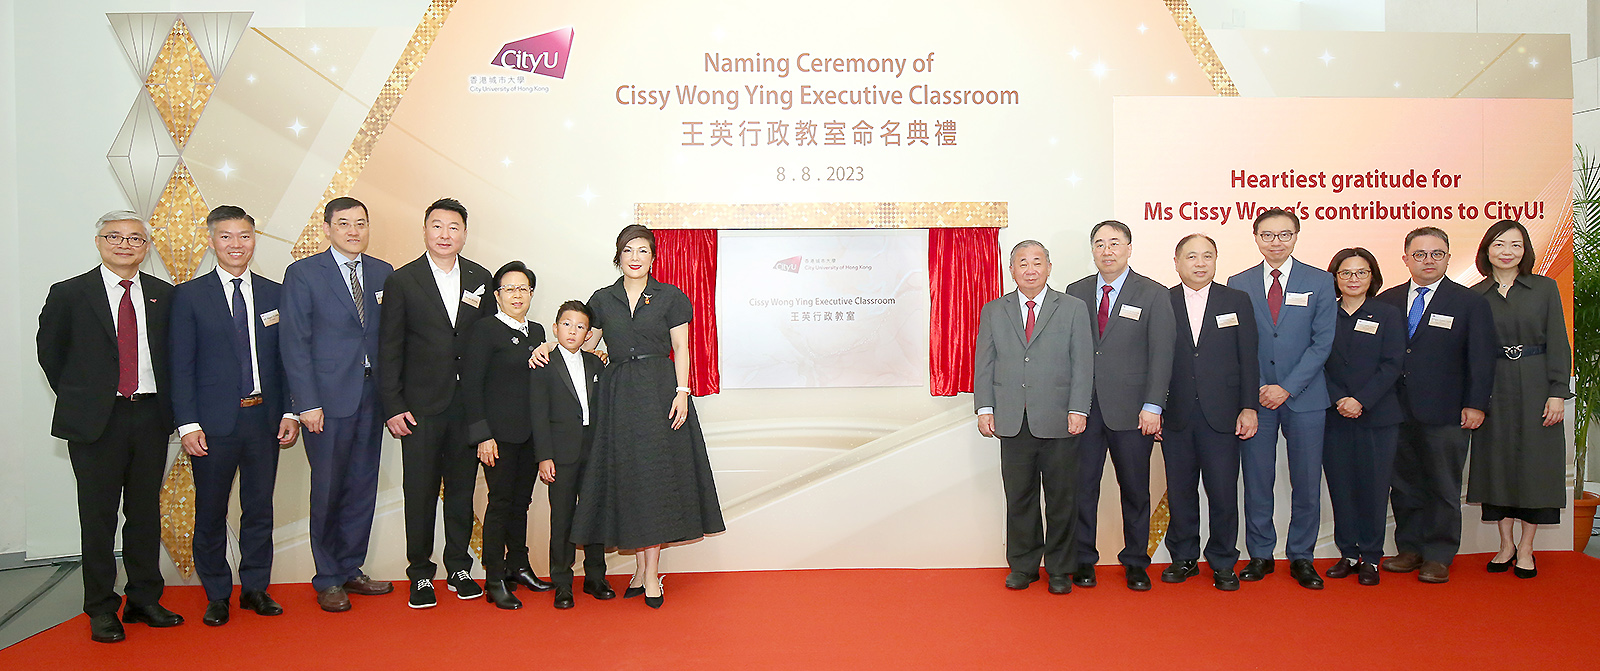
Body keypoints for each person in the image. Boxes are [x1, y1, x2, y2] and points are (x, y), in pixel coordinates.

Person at [535, 224, 724, 609]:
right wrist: (549, 345)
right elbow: (583, 340)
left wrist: (683, 392)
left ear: (654, 257)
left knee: (655, 479)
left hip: (659, 390)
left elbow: (681, 348)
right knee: (631, 480)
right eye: (628, 250)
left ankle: (651, 574)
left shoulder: (671, 297)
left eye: (643, 250)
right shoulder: (603, 299)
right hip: (618, 394)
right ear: (617, 256)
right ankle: (639, 570)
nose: (635, 257)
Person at [37, 211, 182, 643]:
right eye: (114, 236)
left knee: (143, 515)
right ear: (98, 241)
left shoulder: (164, 295)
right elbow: (52, 356)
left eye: (135, 239)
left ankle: (143, 599)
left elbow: (173, 356)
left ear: (147, 248)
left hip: (151, 416)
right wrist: (88, 397)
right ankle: (101, 607)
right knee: (97, 518)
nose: (124, 244)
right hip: (97, 421)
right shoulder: (69, 293)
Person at [168, 206, 299, 625]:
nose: (236, 244)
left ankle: (255, 589)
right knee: (210, 511)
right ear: (211, 240)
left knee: (259, 507)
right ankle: (217, 594)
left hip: (264, 419)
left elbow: (288, 360)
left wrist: (292, 411)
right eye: (226, 237)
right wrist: (187, 423)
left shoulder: (276, 293)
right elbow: (180, 365)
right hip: (212, 426)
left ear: (254, 239)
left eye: (244, 236)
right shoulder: (189, 295)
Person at [378, 197, 506, 608]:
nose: (445, 234)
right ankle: (419, 573)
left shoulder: (481, 279)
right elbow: (389, 349)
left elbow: (489, 347)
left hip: (467, 407)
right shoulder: (402, 280)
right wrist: (393, 406)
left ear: (464, 233)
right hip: (419, 408)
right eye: (437, 226)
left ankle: (459, 567)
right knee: (419, 492)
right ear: (425, 230)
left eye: (453, 227)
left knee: (462, 490)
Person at [281, 196, 395, 611]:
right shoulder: (304, 273)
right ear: (326, 228)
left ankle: (351, 568)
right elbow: (294, 341)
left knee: (362, 486)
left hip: (372, 396)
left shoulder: (384, 272)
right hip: (326, 402)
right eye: (344, 223)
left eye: (360, 223)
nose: (353, 231)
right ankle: (327, 576)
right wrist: (305, 402)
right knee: (328, 488)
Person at [1376, 226, 1497, 583]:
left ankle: (1440, 554)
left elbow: (1481, 358)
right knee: (1404, 484)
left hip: (1447, 411)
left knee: (1443, 486)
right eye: (1419, 254)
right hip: (1395, 411)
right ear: (1405, 259)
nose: (1427, 260)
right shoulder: (1388, 300)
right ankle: (1410, 548)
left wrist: (1476, 405)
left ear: (1447, 256)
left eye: (1435, 254)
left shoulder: (1470, 302)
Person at [974, 240, 1094, 595]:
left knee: (1061, 499)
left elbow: (1082, 362)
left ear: (1049, 267)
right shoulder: (995, 310)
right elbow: (985, 362)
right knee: (1020, 498)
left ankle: (1059, 568)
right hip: (1013, 420)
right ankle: (1023, 566)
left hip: (1059, 419)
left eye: (1037, 262)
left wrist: (1078, 408)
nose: (1030, 269)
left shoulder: (1071, 308)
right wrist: (985, 408)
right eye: (1022, 263)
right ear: (1011, 270)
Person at [1226, 208, 1336, 590]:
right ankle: (1260, 554)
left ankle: (1302, 555)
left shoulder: (1320, 281)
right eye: (1268, 235)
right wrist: (1259, 387)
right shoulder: (1237, 283)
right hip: (1256, 399)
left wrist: (1286, 387)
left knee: (1306, 482)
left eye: (1284, 234)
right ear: (1255, 238)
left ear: (1296, 236)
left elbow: (1322, 343)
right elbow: (1238, 344)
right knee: (1258, 479)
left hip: (1304, 398)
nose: (1276, 242)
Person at [1065, 220, 1175, 592]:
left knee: (1135, 489)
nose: (1107, 250)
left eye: (1115, 243)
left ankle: (1136, 562)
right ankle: (1083, 560)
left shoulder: (1153, 293)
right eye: (1099, 243)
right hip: (1084, 409)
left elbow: (1162, 355)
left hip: (1132, 411)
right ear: (1092, 250)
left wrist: (1153, 406)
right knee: (1083, 488)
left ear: (1129, 248)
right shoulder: (1075, 291)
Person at [1467, 220, 1570, 579]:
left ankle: (1527, 548)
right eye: (1499, 244)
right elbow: (1470, 353)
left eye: (1515, 244)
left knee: (1535, 465)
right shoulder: (1475, 294)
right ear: (1486, 250)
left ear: (1525, 250)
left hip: (1537, 380)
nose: (1507, 251)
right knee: (1497, 464)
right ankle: (1505, 544)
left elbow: (1559, 340)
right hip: (1494, 384)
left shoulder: (1545, 288)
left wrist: (1558, 392)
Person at [1159, 234, 1258, 591]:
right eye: (1191, 256)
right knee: (1181, 490)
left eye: (1207, 256)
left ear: (1216, 260)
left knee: (1222, 492)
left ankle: (1222, 561)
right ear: (1176, 261)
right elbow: (1150, 361)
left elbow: (1249, 358)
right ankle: (1183, 557)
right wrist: (1154, 408)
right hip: (1176, 414)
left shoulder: (1237, 300)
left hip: (1224, 414)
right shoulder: (1162, 300)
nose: (1199, 263)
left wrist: (1249, 406)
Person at [462, 261, 548, 609]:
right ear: (497, 295)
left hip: (531, 435)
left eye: (523, 289)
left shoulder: (539, 331)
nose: (517, 295)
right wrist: (483, 435)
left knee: (521, 504)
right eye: (509, 289)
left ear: (531, 294)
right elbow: (471, 385)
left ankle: (519, 566)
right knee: (499, 504)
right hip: (498, 436)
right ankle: (494, 576)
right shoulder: (485, 330)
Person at [1321, 247, 1405, 586]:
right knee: (1341, 487)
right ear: (1335, 278)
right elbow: (1317, 361)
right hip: (1334, 414)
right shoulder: (1324, 313)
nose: (1353, 279)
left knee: (1372, 488)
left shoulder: (1386, 313)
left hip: (1377, 416)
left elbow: (1392, 364)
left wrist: (1361, 400)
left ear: (1373, 277)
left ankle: (1371, 556)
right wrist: (1340, 398)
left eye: (1361, 272)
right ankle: (1348, 553)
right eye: (1345, 273)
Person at [531, 301, 615, 609]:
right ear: (555, 328)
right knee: (562, 519)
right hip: (560, 453)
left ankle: (596, 577)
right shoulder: (543, 363)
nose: (573, 331)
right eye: (567, 324)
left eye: (580, 327)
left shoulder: (595, 364)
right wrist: (544, 456)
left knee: (594, 515)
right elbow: (538, 414)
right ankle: (562, 583)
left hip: (593, 449)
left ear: (588, 334)